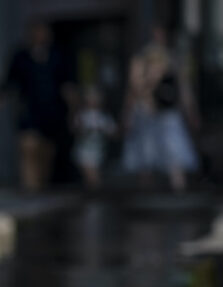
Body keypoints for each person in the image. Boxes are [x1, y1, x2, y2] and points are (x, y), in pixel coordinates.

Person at [0, 21, 76, 191]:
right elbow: (5, 86)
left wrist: (74, 114)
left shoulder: (58, 56)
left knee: (45, 159)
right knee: (28, 150)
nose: (41, 35)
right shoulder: (21, 57)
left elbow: (69, 88)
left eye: (44, 31)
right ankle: (30, 192)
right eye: (37, 31)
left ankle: (39, 192)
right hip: (29, 114)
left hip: (53, 116)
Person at [121, 26, 199, 192]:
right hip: (146, 113)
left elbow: (183, 89)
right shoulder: (141, 60)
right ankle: (147, 190)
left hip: (167, 113)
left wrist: (191, 111)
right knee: (145, 153)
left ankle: (178, 188)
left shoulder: (173, 59)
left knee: (174, 151)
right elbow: (134, 90)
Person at [73, 86, 117, 190]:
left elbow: (113, 132)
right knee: (92, 177)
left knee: (94, 178)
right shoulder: (82, 115)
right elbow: (76, 130)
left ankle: (94, 198)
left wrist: (102, 131)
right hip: (85, 150)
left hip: (99, 151)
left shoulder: (104, 116)